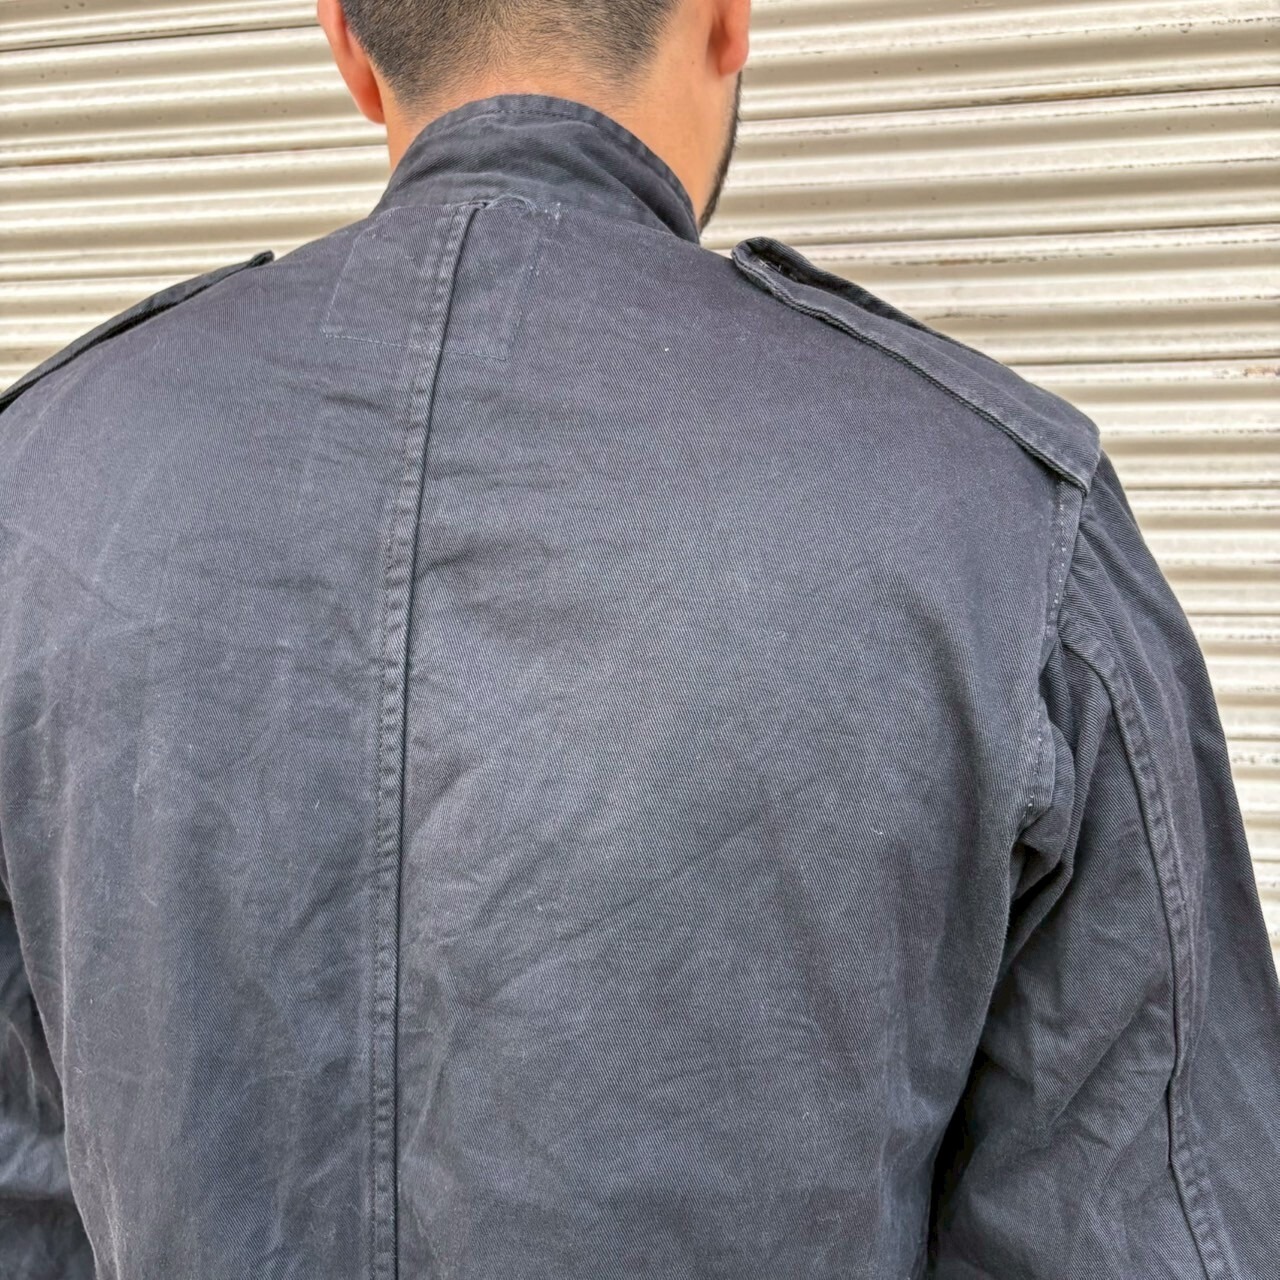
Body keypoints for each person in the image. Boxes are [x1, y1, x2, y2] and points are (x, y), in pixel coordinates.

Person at [1, 0, 1276, 1274]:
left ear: (345, 43)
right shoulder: (997, 503)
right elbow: (1147, 1223)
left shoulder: (37, 480)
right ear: (724, 18)